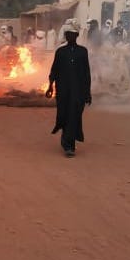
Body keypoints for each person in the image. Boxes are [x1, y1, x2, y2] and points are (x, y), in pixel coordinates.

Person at [45, 21, 91, 158]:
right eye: (68, 34)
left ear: (76, 35)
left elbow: (86, 73)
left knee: (74, 115)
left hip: (78, 91)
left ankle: (69, 146)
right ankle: (66, 140)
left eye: (72, 34)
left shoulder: (83, 52)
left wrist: (87, 93)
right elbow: (54, 70)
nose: (70, 36)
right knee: (64, 114)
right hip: (63, 90)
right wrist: (50, 86)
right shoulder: (60, 52)